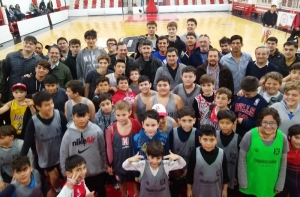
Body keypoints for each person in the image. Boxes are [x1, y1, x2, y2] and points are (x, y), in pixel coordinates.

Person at [21, 90, 67, 195]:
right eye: (46, 105)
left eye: (51, 103)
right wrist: (21, 161)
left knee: (65, 175)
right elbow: (27, 142)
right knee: (54, 178)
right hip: (46, 155)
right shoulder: (33, 121)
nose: (50, 106)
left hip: (62, 152)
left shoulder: (60, 115)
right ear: (38, 107)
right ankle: (59, 191)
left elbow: (66, 135)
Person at [238, 108, 288, 197]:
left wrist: (280, 184)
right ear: (260, 122)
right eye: (265, 122)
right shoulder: (249, 135)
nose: (268, 126)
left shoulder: (282, 138)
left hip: (271, 184)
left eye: (272, 122)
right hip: (251, 183)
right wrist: (243, 182)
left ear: (277, 123)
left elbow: (283, 163)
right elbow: (242, 160)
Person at [60, 103, 106, 197]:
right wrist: (65, 172)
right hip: (79, 175)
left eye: (84, 116)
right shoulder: (68, 134)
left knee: (100, 192)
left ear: (88, 115)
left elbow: (103, 149)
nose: (81, 119)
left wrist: (105, 164)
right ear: (72, 117)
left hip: (97, 171)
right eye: (78, 116)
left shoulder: (96, 130)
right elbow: (63, 154)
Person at [105, 100, 141, 197]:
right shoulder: (111, 129)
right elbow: (108, 148)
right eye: (118, 115)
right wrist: (109, 164)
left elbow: (141, 142)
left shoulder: (136, 124)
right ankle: (125, 195)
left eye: (124, 114)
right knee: (121, 184)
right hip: (118, 163)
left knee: (135, 183)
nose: (121, 118)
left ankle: (136, 195)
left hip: (134, 163)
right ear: (115, 114)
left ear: (130, 112)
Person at [186, 124, 229, 197]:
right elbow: (189, 174)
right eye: (205, 139)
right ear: (200, 139)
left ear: (216, 139)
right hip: (198, 192)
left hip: (216, 192)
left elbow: (225, 175)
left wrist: (225, 189)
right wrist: (189, 189)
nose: (208, 143)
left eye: (212, 140)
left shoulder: (222, 153)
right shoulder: (195, 153)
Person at [169, 106, 201, 197]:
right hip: (176, 169)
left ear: (194, 120)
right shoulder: (173, 132)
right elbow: (170, 152)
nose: (187, 124)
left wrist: (189, 169)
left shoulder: (197, 133)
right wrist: (177, 169)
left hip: (191, 169)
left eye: (190, 121)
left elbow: (197, 155)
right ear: (179, 121)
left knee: (190, 191)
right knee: (175, 190)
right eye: (184, 121)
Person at [5, 36, 41, 100]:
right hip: (11, 92)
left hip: (27, 93)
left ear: (35, 46)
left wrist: (31, 76)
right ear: (23, 43)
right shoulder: (10, 56)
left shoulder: (38, 60)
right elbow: (5, 74)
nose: (28, 45)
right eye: (26, 43)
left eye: (31, 44)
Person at [216, 110, 241, 197]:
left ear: (234, 123)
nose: (225, 125)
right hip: (215, 176)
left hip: (231, 176)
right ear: (218, 122)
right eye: (222, 122)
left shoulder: (239, 139)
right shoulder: (213, 136)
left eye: (228, 123)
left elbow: (240, 161)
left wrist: (236, 176)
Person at [0, 125, 33, 190]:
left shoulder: (21, 145)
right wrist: (0, 181)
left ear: (11, 137)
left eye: (2, 138)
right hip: (7, 174)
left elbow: (31, 160)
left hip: (22, 171)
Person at [279, 124, 300, 197]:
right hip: (284, 181)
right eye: (296, 138)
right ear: (289, 137)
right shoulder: (282, 147)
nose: (299, 141)